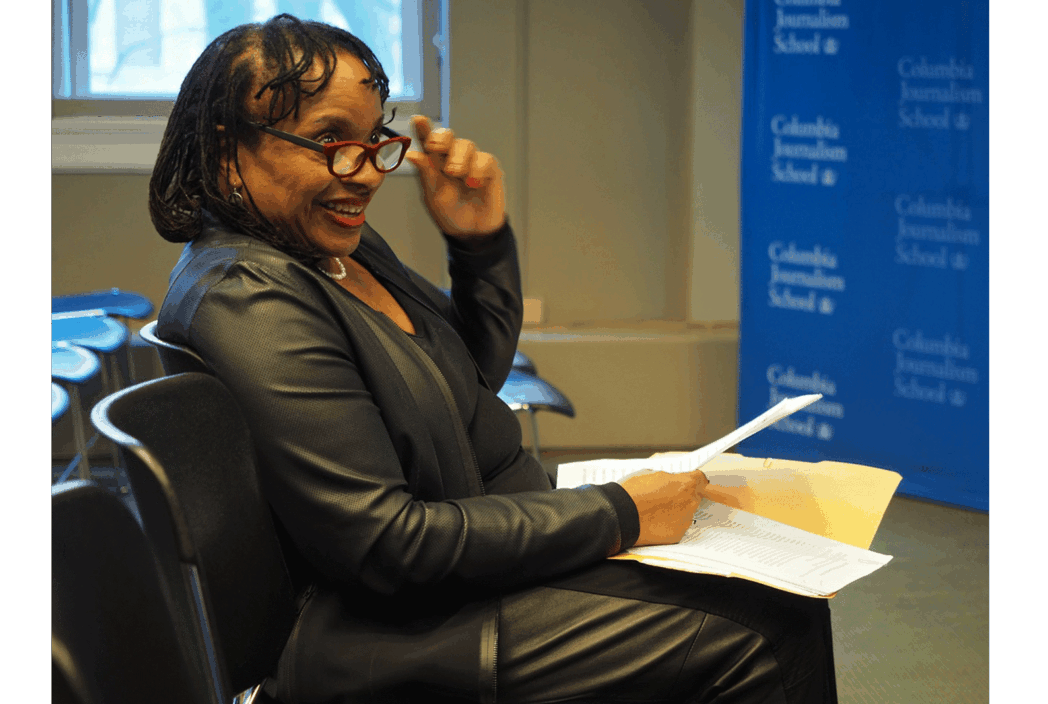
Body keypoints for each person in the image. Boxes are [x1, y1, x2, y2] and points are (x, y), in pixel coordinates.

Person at [150, 14, 838, 704]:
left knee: (772, 598)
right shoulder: (248, 295)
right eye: (330, 140)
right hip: (387, 633)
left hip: (456, 584)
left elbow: (464, 382)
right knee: (766, 631)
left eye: (371, 141)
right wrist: (621, 512)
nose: (363, 174)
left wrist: (478, 244)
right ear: (226, 148)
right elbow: (386, 545)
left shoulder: (326, 253)